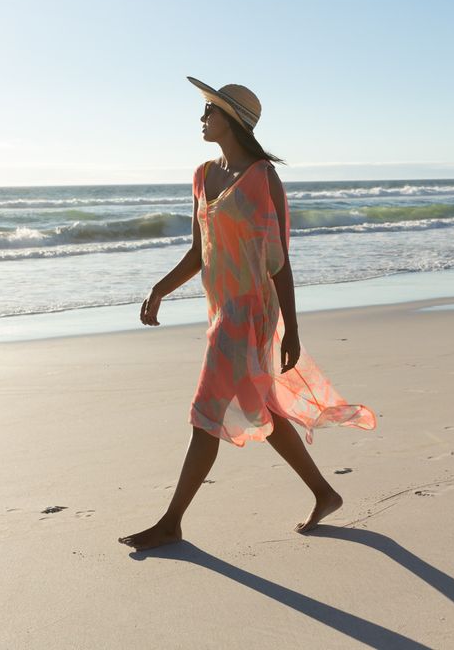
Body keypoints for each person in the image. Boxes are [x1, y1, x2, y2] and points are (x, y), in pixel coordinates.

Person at [118, 77, 376, 551]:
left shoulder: (262, 178)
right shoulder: (202, 175)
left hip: (251, 310)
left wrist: (291, 329)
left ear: (231, 120)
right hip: (221, 309)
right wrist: (159, 290)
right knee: (260, 408)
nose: (202, 118)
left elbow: (277, 260)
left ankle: (172, 521)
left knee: (206, 413)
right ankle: (324, 492)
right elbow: (199, 251)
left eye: (210, 110)